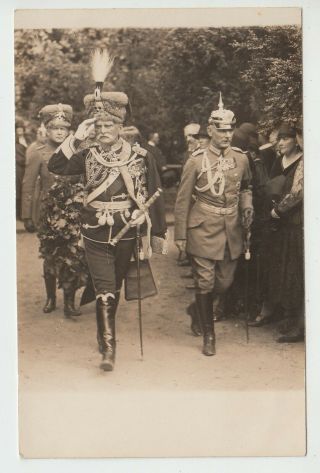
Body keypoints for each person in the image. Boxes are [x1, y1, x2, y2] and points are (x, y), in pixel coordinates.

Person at [48, 49, 167, 372]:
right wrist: (76, 135)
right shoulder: (85, 155)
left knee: (112, 287)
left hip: (126, 229)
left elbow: (153, 191)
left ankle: (105, 334)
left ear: (120, 125)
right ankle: (108, 350)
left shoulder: (140, 156)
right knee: (103, 289)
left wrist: (153, 229)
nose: (102, 130)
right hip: (95, 231)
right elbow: (56, 165)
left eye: (107, 124)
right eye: (97, 125)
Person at [174, 94, 253, 356]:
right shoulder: (196, 160)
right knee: (205, 282)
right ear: (210, 130)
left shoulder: (241, 158)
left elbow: (246, 187)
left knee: (225, 283)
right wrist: (181, 235)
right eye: (221, 130)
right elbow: (183, 199)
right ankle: (209, 335)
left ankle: (197, 308)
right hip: (203, 227)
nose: (227, 135)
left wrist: (247, 206)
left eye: (230, 130)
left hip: (231, 229)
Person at [21, 104, 83, 318]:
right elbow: (28, 184)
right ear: (46, 129)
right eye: (54, 127)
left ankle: (69, 302)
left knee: (73, 257)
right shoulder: (38, 153)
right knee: (50, 257)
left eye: (63, 128)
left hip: (74, 213)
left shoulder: (78, 151)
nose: (59, 132)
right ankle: (50, 298)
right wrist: (27, 215)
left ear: (69, 131)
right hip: (48, 214)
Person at [249, 122, 304, 343]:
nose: (280, 143)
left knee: (292, 270)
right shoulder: (278, 160)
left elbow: (298, 194)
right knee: (274, 266)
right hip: (275, 223)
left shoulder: (303, 162)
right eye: (278, 139)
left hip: (293, 223)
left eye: (286, 138)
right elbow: (271, 186)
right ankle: (272, 310)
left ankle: (293, 321)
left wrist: (278, 210)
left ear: (296, 140)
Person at [15, 118, 30, 219]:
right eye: (18, 129)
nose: (20, 131)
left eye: (21, 129)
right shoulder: (13, 140)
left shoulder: (27, 139)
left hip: (28, 166)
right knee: (18, 189)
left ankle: (24, 213)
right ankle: (17, 214)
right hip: (18, 168)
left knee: (26, 189)